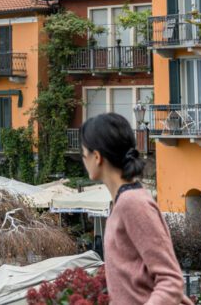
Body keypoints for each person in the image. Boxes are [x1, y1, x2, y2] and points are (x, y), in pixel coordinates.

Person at [80, 113, 189, 305]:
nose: (83, 160)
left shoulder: (133, 203)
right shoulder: (123, 201)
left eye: (83, 154)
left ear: (96, 157)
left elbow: (170, 281)